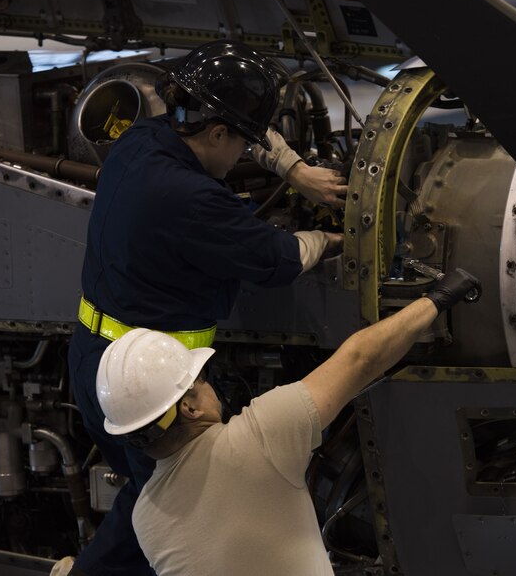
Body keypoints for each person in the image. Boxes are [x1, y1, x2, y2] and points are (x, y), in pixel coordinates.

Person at [66, 40, 345, 576]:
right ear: (216, 133)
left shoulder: (143, 137)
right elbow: (281, 257)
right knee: (164, 507)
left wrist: (294, 170)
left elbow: (236, 131)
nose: (244, 154)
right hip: (149, 383)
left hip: (96, 358)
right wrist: (328, 240)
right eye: (240, 144)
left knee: (149, 492)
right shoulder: (191, 200)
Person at [95, 268, 481, 576]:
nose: (209, 385)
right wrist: (438, 298)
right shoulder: (259, 437)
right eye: (200, 381)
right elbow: (360, 359)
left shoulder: (145, 520)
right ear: (190, 409)